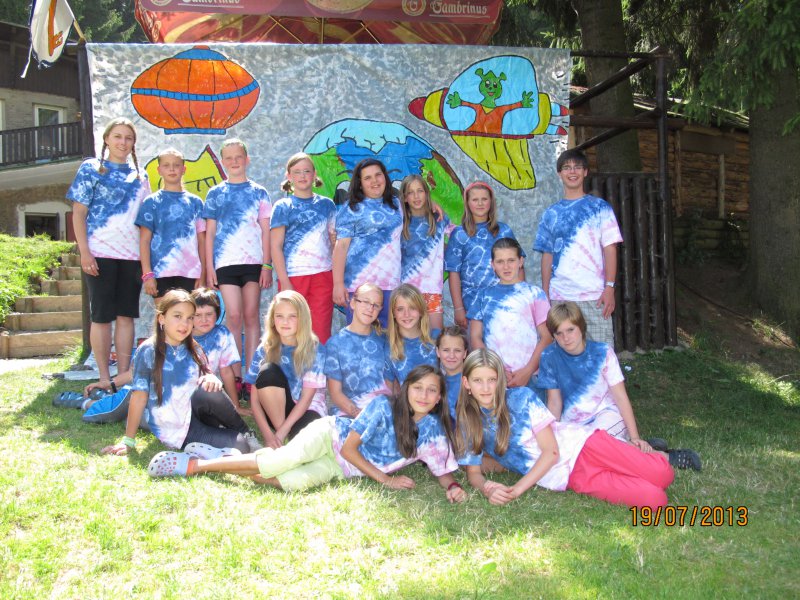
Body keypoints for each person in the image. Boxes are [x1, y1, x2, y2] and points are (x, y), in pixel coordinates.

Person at [147, 365, 468, 506]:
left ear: (440, 397)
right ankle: (193, 466)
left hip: (340, 468)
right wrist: (386, 480)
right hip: (330, 437)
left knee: (286, 482)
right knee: (279, 461)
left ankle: (225, 458)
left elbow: (441, 468)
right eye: (418, 388)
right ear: (406, 389)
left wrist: (453, 487)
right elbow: (351, 449)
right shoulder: (383, 406)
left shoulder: (433, 432)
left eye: (432, 391)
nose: (424, 395)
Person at [455, 349, 700, 509]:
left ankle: (646, 452)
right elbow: (473, 472)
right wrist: (488, 488)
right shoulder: (468, 422)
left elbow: (551, 452)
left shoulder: (521, 398)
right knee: (656, 500)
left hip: (584, 445)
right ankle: (635, 456)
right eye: (478, 380)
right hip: (569, 476)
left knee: (663, 474)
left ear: (500, 380)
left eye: (491, 379)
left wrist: (516, 490)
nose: (485, 387)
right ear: (466, 383)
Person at [101, 290, 260, 457]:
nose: (184, 324)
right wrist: (128, 441)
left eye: (189, 318)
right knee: (240, 446)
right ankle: (203, 445)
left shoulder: (194, 347)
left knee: (210, 390)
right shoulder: (148, 350)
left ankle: (247, 433)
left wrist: (211, 377)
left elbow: (207, 379)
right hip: (174, 428)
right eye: (177, 316)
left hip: (195, 412)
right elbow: (139, 396)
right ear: (161, 318)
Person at [68, 117, 150, 389]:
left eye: (128, 138)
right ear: (106, 139)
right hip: (99, 253)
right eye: (117, 136)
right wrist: (85, 252)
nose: (122, 142)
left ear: (133, 143)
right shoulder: (91, 169)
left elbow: (146, 220)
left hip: (132, 256)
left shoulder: (141, 176)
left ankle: (122, 378)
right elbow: (78, 213)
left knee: (126, 316)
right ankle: (103, 377)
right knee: (101, 316)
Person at [537, 301, 681, 456]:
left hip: (605, 415)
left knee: (595, 445)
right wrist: (553, 436)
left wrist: (635, 437)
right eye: (559, 333)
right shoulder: (549, 356)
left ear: (581, 326)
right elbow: (554, 402)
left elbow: (620, 397)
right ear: (553, 335)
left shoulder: (603, 352)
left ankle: (663, 456)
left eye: (570, 330)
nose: (566, 337)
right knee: (572, 451)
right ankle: (635, 447)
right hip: (574, 422)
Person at [534, 149, 622, 346]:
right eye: (567, 167)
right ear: (559, 173)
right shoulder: (551, 213)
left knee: (601, 352)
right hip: (560, 297)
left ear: (585, 172)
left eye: (577, 167)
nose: (572, 171)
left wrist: (609, 287)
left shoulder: (600, 208)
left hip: (595, 295)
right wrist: (546, 293)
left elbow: (610, 249)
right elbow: (547, 255)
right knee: (564, 353)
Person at [202, 138, 272, 382]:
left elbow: (266, 231)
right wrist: (209, 268)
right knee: (233, 315)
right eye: (229, 158)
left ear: (247, 160)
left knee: (251, 315)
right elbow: (210, 234)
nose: (234, 162)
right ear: (222, 162)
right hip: (225, 263)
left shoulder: (259, 192)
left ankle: (251, 376)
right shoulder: (215, 193)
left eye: (238, 157)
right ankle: (234, 376)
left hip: (253, 263)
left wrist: (267, 265)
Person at [247, 290, 327, 449]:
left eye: (292, 316)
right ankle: (282, 438)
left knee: (308, 447)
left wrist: (280, 433)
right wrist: (268, 436)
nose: (285, 322)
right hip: (274, 410)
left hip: (306, 409)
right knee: (268, 370)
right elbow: (254, 400)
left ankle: (285, 437)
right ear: (272, 319)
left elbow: (306, 399)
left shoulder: (315, 349)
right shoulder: (265, 348)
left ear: (303, 319)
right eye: (279, 316)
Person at [469, 238, 552, 388]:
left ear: (521, 261)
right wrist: (496, 368)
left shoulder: (535, 294)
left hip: (530, 377)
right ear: (492, 265)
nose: (506, 267)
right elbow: (475, 337)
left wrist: (527, 371)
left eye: (511, 260)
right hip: (494, 376)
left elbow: (547, 337)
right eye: (500, 262)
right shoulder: (482, 296)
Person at [271, 152, 336, 343]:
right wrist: (284, 281)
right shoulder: (283, 206)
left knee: (320, 332)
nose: (302, 176)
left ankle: (318, 363)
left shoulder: (327, 205)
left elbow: (335, 243)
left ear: (314, 174)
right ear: (289, 176)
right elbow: (275, 246)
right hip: (293, 276)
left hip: (323, 276)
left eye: (307, 171)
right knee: (291, 332)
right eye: (297, 172)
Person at [332, 159, 402, 328]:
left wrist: (432, 204)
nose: (374, 181)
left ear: (385, 177)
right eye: (367, 178)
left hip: (391, 284)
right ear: (360, 183)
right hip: (360, 286)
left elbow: (418, 204)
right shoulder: (351, 208)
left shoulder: (396, 204)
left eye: (378, 175)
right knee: (360, 337)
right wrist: (338, 284)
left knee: (388, 338)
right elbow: (341, 247)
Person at [444, 181, 521, 329]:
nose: (480, 203)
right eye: (475, 199)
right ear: (467, 203)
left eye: (484, 199)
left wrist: (519, 297)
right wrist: (458, 308)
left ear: (491, 202)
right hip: (471, 304)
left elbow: (519, 267)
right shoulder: (459, 234)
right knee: (476, 341)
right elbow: (454, 273)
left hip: (503, 301)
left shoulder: (504, 231)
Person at [135, 147, 205, 302]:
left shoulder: (196, 203)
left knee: (189, 315)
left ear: (184, 169)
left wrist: (203, 274)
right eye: (166, 165)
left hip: (190, 273)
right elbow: (144, 241)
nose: (172, 169)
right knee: (163, 315)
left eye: (176, 165)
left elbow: (202, 241)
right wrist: (147, 274)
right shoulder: (151, 202)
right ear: (159, 170)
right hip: (160, 271)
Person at [324, 282, 390, 418]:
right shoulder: (335, 344)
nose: (370, 308)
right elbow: (335, 393)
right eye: (365, 302)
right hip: (349, 413)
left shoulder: (385, 340)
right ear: (353, 303)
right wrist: (361, 416)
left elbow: (392, 386)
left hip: (383, 411)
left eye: (376, 305)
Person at [399, 175, 454, 330]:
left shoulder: (439, 218)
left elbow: (458, 238)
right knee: (409, 337)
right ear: (405, 198)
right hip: (407, 291)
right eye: (411, 192)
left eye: (420, 191)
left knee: (435, 336)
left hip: (432, 291)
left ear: (427, 193)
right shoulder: (400, 222)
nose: (416, 196)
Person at [190, 288, 247, 415]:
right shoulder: (182, 334)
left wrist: (235, 406)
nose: (204, 320)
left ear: (217, 313)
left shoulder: (222, 334)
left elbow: (226, 371)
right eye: (198, 315)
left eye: (209, 314)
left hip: (207, 389)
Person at [384, 284, 440, 394]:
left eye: (412, 308)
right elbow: (389, 391)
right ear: (393, 313)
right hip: (408, 404)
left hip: (439, 402)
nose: (407, 314)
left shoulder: (437, 338)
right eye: (400, 309)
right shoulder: (390, 347)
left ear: (421, 310)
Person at [435, 325, 468, 423]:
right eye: (446, 350)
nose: (451, 356)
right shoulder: (437, 384)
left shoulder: (473, 381)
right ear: (438, 352)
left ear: (465, 353)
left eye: (457, 350)